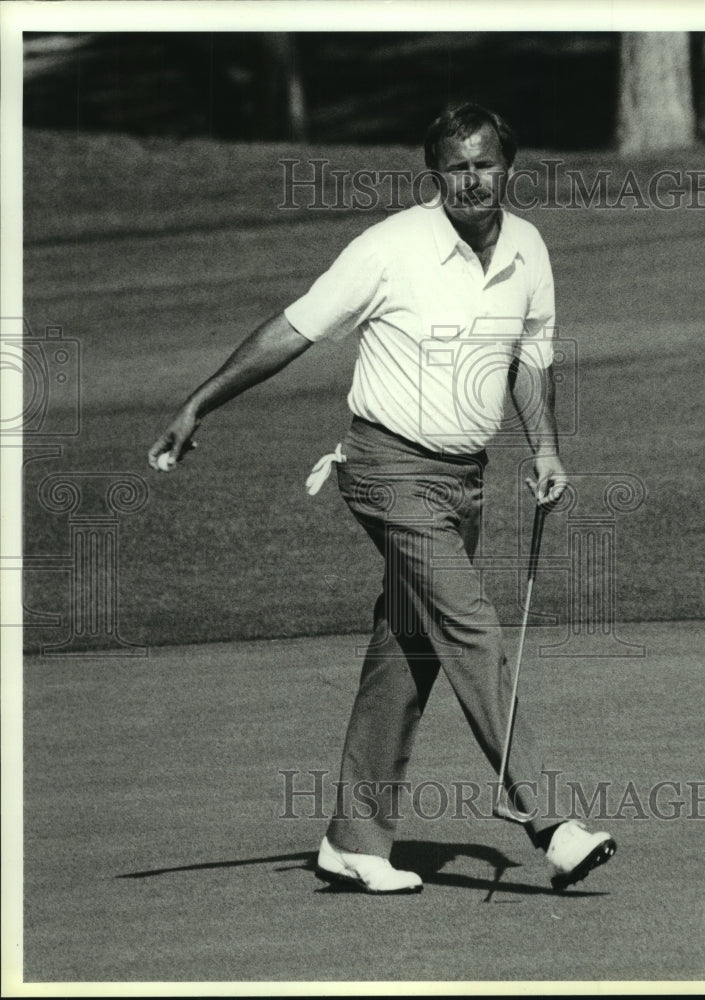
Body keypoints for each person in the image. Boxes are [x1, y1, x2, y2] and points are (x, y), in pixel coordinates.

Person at [148, 103, 616, 895]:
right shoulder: (389, 248)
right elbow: (292, 329)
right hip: (384, 471)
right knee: (469, 627)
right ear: (434, 174)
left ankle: (353, 840)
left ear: (510, 165)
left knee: (410, 647)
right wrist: (197, 405)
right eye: (455, 166)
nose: (472, 179)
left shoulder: (529, 249)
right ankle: (549, 822)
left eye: (485, 163)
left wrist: (543, 447)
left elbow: (529, 358)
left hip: (462, 482)